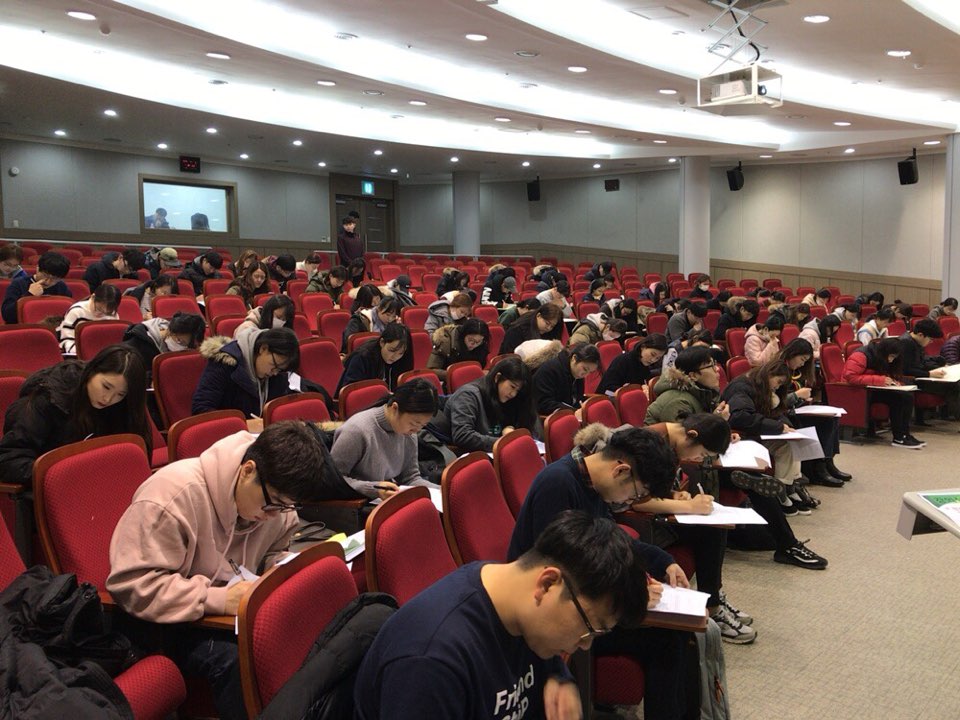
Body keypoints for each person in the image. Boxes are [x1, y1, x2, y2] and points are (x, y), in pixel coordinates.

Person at [107, 421, 341, 720]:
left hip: (234, 612)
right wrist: (217, 600)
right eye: (273, 505)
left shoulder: (276, 502)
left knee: (308, 626)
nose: (274, 517)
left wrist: (278, 569)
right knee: (240, 660)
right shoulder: (171, 497)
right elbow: (134, 584)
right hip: (171, 622)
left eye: (286, 507)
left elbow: (273, 549)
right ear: (248, 471)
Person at [354, 511, 647, 720]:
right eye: (589, 630)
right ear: (547, 584)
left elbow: (549, 667)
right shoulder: (431, 663)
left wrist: (561, 680)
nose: (584, 645)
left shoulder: (521, 608)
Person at [507, 426, 694, 720]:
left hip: (582, 598)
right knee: (666, 641)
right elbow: (561, 571)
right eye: (636, 493)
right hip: (552, 609)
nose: (629, 501)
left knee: (681, 633)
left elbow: (612, 540)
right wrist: (628, 595)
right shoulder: (558, 485)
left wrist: (664, 561)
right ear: (621, 471)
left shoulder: (592, 485)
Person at [645, 347, 828, 571]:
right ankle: (788, 545)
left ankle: (783, 538)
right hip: (688, 469)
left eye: (716, 365)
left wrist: (724, 433)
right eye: (710, 366)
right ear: (693, 375)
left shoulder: (702, 393)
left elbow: (703, 433)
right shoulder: (677, 401)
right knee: (755, 483)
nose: (717, 370)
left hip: (705, 460)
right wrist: (719, 425)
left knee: (765, 534)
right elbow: (685, 445)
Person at [622, 415, 756, 644]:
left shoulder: (671, 442)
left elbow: (654, 489)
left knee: (713, 526)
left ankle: (714, 597)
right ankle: (712, 606)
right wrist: (688, 506)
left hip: (653, 515)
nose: (697, 459)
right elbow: (636, 501)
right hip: (637, 521)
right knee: (709, 530)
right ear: (691, 435)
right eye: (702, 453)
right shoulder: (650, 444)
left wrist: (675, 494)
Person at [0, 345, 151, 487]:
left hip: (98, 487)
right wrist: (63, 476)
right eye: (106, 386)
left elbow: (135, 457)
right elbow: (9, 459)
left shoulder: (123, 407)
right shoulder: (47, 399)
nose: (108, 399)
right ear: (91, 372)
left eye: (120, 394)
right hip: (51, 492)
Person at [722, 360, 817, 515]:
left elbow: (776, 412)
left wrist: (786, 426)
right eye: (778, 382)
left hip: (753, 432)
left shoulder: (759, 387)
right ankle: (780, 492)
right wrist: (778, 427)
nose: (777, 387)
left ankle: (788, 486)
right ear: (769, 374)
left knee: (793, 443)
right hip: (741, 436)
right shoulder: (742, 388)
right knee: (785, 447)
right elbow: (742, 417)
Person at [331, 379, 439, 500]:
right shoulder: (356, 430)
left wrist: (442, 491)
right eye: (414, 423)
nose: (417, 430)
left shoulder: (408, 432)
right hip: (356, 502)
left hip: (385, 498)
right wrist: (374, 489)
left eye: (423, 425)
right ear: (395, 408)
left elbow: (410, 478)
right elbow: (334, 480)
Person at [777, 338, 851, 487]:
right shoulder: (777, 369)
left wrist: (803, 398)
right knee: (824, 421)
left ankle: (827, 461)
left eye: (806, 361)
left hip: (796, 409)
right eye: (802, 359)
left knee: (832, 416)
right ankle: (819, 468)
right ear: (792, 353)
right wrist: (797, 395)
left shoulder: (797, 371)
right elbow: (775, 401)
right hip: (782, 415)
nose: (802, 364)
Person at [428, 356, 539, 452]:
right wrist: (504, 443)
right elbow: (462, 436)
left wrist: (509, 428)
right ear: (497, 377)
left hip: (494, 451)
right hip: (473, 454)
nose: (513, 394)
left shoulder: (508, 397)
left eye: (517, 391)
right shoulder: (468, 395)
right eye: (512, 387)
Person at [192, 327, 299, 425]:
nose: (274, 373)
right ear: (263, 349)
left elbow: (281, 408)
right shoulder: (225, 363)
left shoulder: (278, 374)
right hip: (227, 434)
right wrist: (242, 425)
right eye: (274, 365)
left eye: (279, 369)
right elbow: (201, 409)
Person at [842, 337, 923, 448]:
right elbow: (851, 377)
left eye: (894, 358)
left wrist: (894, 382)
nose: (891, 360)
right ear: (884, 352)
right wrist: (880, 380)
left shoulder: (882, 357)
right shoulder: (861, 356)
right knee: (897, 399)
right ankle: (898, 437)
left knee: (906, 397)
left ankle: (905, 434)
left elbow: (886, 374)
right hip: (857, 392)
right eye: (891, 357)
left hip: (873, 389)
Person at [897, 318, 955, 422]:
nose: (931, 342)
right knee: (954, 386)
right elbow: (906, 369)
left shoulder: (916, 342)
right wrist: (929, 374)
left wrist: (937, 365)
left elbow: (921, 362)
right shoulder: (906, 343)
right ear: (921, 335)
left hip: (920, 377)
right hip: (912, 380)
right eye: (930, 339)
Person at [123, 311, 206, 380]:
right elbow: (130, 376)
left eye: (189, 346)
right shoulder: (136, 344)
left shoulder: (191, 343)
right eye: (180, 341)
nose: (184, 348)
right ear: (170, 332)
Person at [336, 322, 413, 394]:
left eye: (400, 353)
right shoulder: (362, 357)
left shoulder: (403, 358)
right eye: (391, 350)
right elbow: (351, 392)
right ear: (382, 342)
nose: (395, 357)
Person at [1, 251, 72, 324]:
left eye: (54, 278)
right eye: (45, 275)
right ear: (38, 268)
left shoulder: (62, 287)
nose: (48, 282)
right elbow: (7, 316)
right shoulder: (19, 283)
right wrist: (29, 295)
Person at [533, 343, 600, 415]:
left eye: (590, 372)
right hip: (549, 417)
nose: (586, 375)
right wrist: (574, 412)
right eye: (585, 369)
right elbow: (543, 404)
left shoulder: (576, 373)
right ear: (574, 358)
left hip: (569, 415)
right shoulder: (550, 370)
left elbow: (577, 400)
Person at [58, 283, 122, 354]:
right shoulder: (76, 311)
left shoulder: (112, 314)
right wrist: (83, 353)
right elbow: (66, 340)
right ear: (93, 297)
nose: (100, 313)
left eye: (106, 312)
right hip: (78, 353)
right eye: (98, 309)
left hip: (103, 353)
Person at [596, 333, 667, 394]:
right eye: (652, 354)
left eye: (658, 358)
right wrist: (627, 390)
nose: (653, 360)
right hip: (609, 398)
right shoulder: (623, 361)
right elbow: (607, 389)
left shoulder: (645, 364)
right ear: (643, 347)